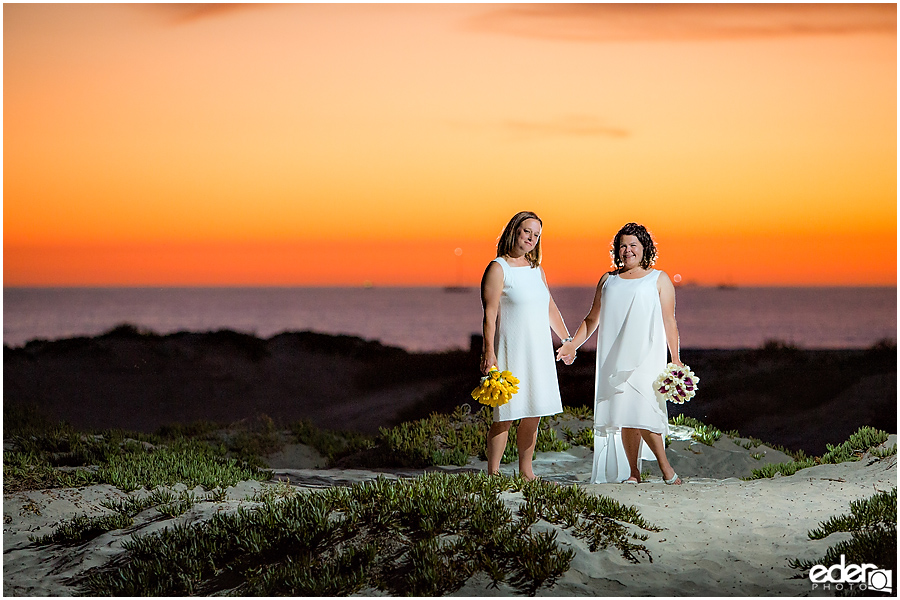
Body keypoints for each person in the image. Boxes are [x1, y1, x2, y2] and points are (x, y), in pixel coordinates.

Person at [556, 223, 683, 485]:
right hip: (614, 355)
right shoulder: (608, 280)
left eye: (633, 245)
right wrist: (573, 344)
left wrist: (676, 358)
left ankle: (667, 470)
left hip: (647, 356)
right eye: (623, 246)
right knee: (625, 414)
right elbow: (592, 319)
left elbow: (669, 321)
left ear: (644, 248)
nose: (627, 251)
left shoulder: (659, 279)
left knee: (644, 410)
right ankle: (633, 473)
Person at [480, 211, 570, 481]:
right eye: (527, 231)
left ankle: (526, 472)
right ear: (514, 231)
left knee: (534, 412)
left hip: (538, 352)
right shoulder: (498, 268)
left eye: (537, 235)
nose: (531, 238)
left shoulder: (536, 269)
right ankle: (493, 473)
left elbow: (550, 307)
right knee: (505, 415)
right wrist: (489, 352)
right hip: (510, 351)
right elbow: (489, 315)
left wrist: (567, 341)